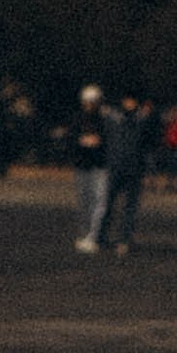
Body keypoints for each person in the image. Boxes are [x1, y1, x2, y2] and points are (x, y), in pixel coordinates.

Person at [99, 92, 153, 253]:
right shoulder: (115, 118)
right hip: (116, 166)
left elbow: (146, 143)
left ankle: (124, 238)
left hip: (134, 168)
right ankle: (102, 236)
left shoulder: (140, 120)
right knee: (108, 204)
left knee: (129, 206)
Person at [70, 87, 109, 253]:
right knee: (84, 200)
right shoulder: (78, 118)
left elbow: (108, 139)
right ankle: (85, 233)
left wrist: (98, 142)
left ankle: (94, 235)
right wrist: (81, 141)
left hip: (99, 165)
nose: (89, 105)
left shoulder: (104, 119)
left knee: (99, 200)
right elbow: (71, 138)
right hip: (83, 164)